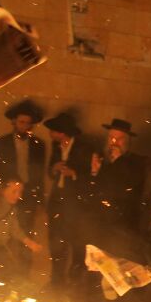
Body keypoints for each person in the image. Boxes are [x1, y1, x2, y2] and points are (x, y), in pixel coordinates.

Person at [43, 113, 91, 290]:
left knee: (77, 245)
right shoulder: (56, 148)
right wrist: (54, 169)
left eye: (53, 131)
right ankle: (56, 284)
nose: (50, 134)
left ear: (62, 133)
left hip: (75, 206)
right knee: (56, 244)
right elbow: (50, 172)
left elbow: (91, 176)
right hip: (57, 202)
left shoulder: (84, 148)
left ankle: (76, 284)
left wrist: (74, 174)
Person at [0, 99, 46, 235]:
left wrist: (39, 198)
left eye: (28, 123)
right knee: (4, 230)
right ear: (14, 121)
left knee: (26, 231)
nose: (25, 126)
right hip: (7, 192)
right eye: (22, 122)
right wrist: (0, 190)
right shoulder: (1, 143)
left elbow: (40, 173)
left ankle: (24, 256)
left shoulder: (38, 145)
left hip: (28, 193)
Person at [0, 178, 42, 286]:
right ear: (3, 190)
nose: (18, 195)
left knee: (8, 273)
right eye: (14, 191)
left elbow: (15, 229)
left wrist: (29, 243)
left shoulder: (12, 209)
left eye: (19, 192)